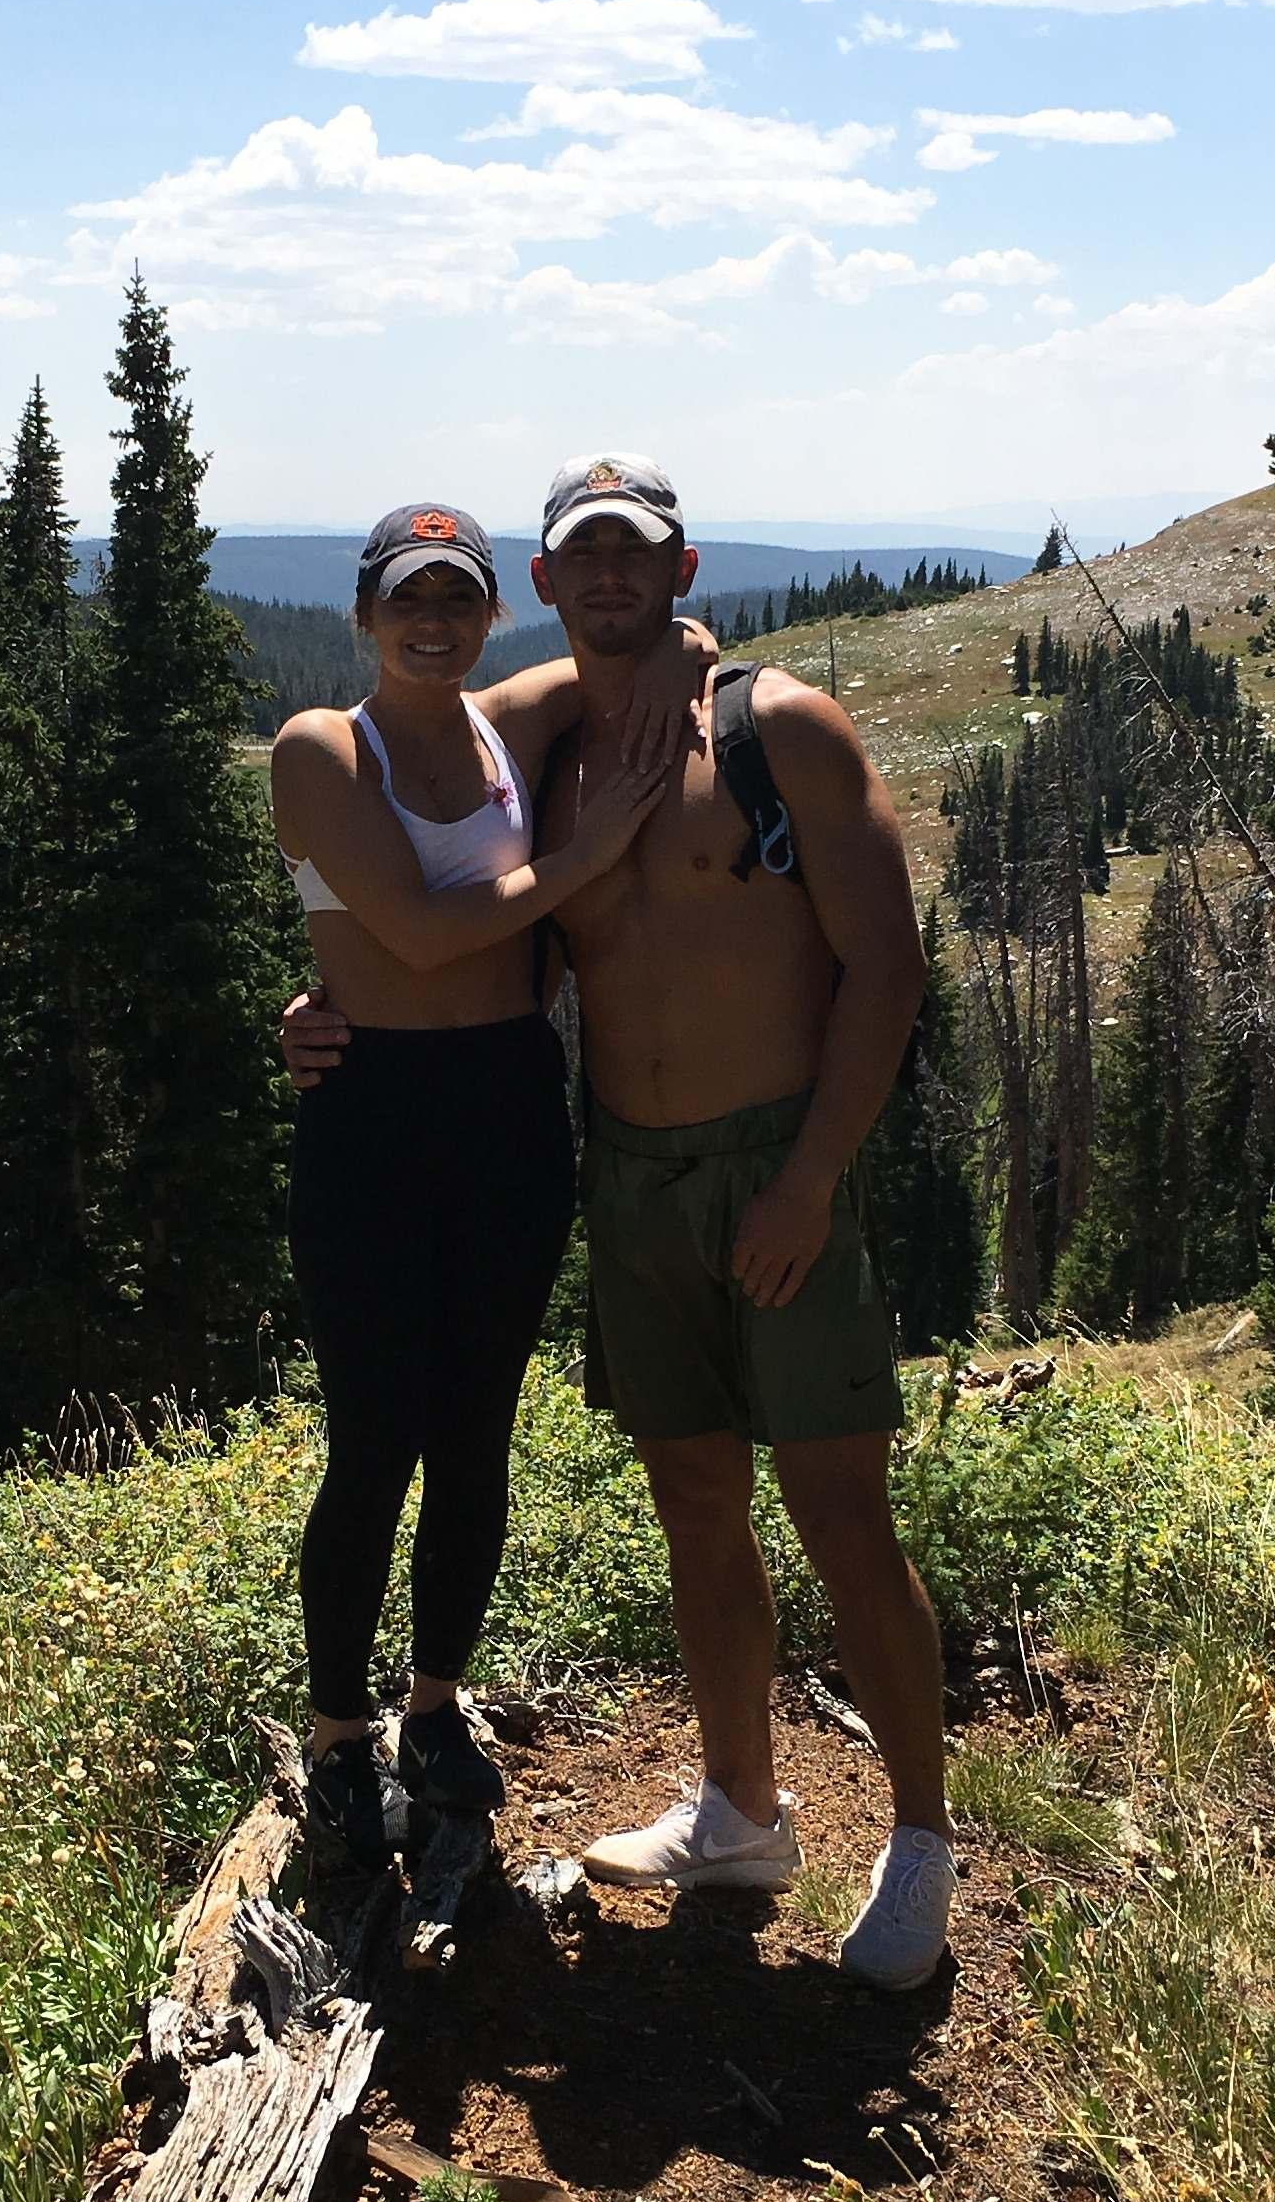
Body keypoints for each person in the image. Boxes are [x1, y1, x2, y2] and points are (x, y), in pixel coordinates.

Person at [287, 454, 955, 1989]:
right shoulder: (550, 740)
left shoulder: (776, 726)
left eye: (633, 556)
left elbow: (888, 974)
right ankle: (741, 1809)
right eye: (580, 557)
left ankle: (920, 1845)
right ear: (548, 583)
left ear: (684, 567)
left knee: (844, 1511)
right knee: (698, 1502)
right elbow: (428, 873)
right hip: (626, 1170)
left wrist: (810, 1180)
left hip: (776, 1160)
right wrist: (328, 1011)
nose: (606, 579)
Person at [270, 500, 704, 1869]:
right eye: (409, 598)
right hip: (373, 1114)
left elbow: (652, 637)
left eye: (459, 597)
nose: (435, 621)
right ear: (363, 614)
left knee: (474, 1436)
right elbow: (413, 928)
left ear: (489, 608)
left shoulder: (500, 722)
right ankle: (341, 1734)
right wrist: (582, 859)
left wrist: (683, 638)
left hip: (509, 1104)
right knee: (372, 1439)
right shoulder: (322, 748)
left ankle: (435, 1708)